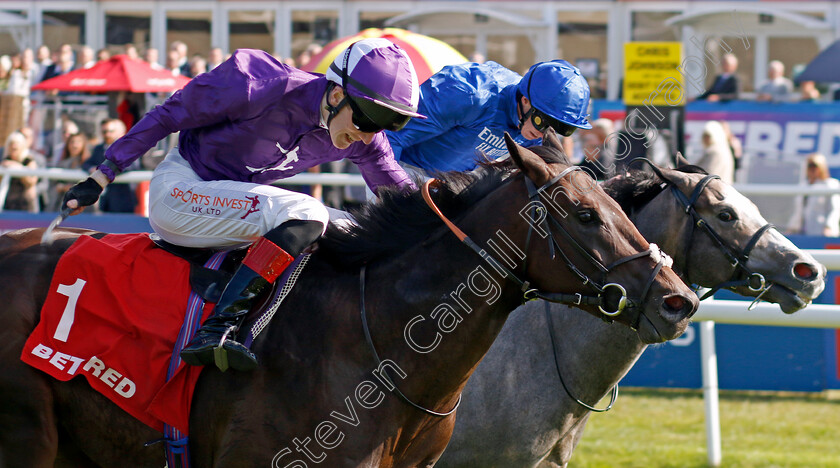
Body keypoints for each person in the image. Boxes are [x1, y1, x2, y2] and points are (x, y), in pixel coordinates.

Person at [62, 38, 424, 372]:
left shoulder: (363, 140)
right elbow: (168, 114)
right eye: (367, 118)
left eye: (384, 125)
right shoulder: (258, 82)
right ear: (335, 96)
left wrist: (447, 220)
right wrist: (103, 175)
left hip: (232, 209)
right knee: (308, 212)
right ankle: (219, 327)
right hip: (181, 192)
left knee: (357, 231)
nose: (367, 134)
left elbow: (403, 199)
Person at [385, 59, 591, 175]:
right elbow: (390, 137)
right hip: (403, 166)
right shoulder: (470, 94)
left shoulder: (535, 122)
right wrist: (397, 188)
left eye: (558, 127)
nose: (542, 133)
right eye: (542, 121)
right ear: (526, 100)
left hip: (454, 180)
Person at [84, 119, 138, 213]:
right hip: (105, 202)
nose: (107, 134)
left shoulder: (127, 148)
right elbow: (86, 164)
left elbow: (132, 166)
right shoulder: (98, 149)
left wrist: (104, 172)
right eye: (104, 132)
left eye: (111, 131)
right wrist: (92, 169)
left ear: (120, 132)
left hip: (123, 200)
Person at [788, 153, 840, 237]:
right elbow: (798, 210)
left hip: (822, 232)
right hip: (801, 231)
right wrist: (792, 227)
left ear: (821, 167)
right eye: (809, 165)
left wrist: (828, 227)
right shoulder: (803, 185)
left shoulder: (830, 184)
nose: (811, 169)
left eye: (814, 165)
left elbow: (834, 209)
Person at [48, 132, 91, 211]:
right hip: (62, 204)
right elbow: (53, 186)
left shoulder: (89, 165)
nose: (75, 145)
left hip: (83, 207)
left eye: (78, 142)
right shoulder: (62, 164)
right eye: (72, 142)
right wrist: (62, 187)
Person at [1, 132, 39, 212]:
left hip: (25, 203)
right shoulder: (5, 161)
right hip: (7, 202)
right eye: (11, 143)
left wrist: (17, 167)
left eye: (16, 143)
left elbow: (31, 181)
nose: (13, 146)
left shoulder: (29, 161)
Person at [694, 120, 734, 184]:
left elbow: (707, 175)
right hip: (721, 188)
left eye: (708, 136)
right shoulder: (723, 149)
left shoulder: (714, 151)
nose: (705, 139)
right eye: (704, 136)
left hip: (714, 190)